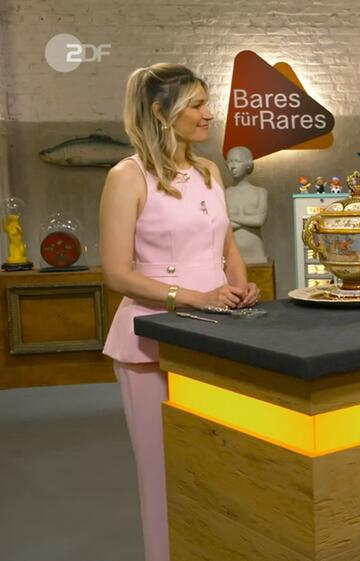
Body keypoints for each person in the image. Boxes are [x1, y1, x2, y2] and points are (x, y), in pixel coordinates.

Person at [99, 64, 260, 561]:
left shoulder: (209, 170)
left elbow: (227, 246)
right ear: (160, 112)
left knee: (218, 467)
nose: (208, 114)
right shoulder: (127, 177)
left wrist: (239, 285)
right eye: (196, 105)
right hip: (151, 338)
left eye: (206, 103)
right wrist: (195, 297)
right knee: (163, 476)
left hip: (216, 334)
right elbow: (116, 274)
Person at [224, 145, 268, 264]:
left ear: (248, 164)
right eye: (230, 162)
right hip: (231, 253)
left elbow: (259, 220)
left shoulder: (260, 192)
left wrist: (230, 218)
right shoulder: (223, 194)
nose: (233, 166)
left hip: (256, 252)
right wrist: (248, 220)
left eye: (237, 161)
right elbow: (223, 223)